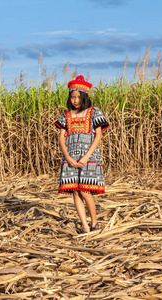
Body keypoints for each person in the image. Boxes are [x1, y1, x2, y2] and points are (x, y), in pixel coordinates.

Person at [54, 75, 109, 233]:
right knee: (75, 191)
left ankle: (94, 222)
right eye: (73, 97)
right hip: (70, 158)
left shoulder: (94, 112)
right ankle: (84, 226)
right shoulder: (65, 116)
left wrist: (85, 157)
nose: (75, 100)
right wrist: (69, 158)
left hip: (88, 158)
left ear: (85, 97)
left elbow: (98, 136)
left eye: (78, 97)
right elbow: (61, 139)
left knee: (85, 190)